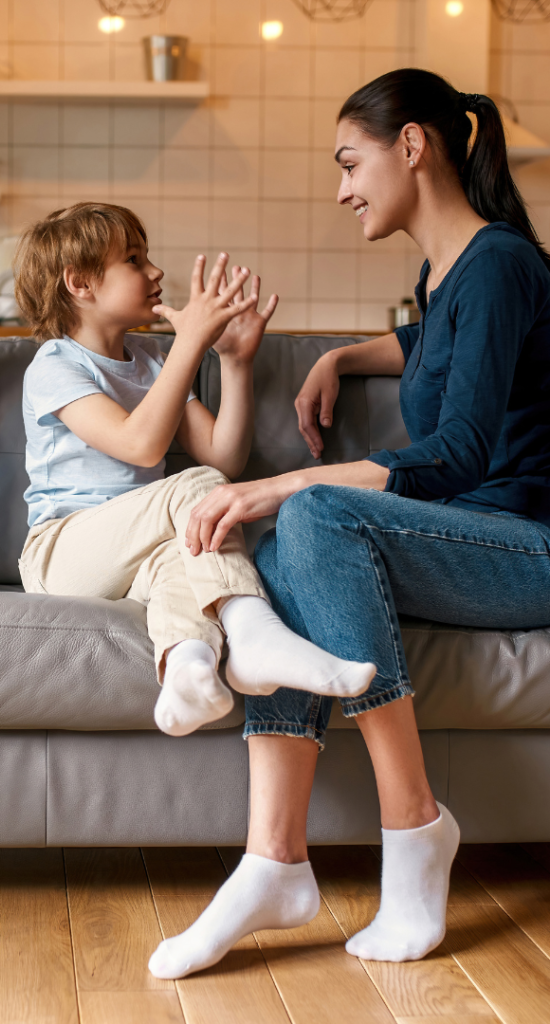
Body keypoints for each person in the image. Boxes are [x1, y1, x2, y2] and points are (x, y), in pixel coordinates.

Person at [148, 69, 550, 980]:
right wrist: (340, 353)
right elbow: (432, 340)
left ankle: (414, 828)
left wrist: (274, 484)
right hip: (469, 536)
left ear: (412, 145)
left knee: (312, 508)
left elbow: (461, 454)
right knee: (299, 542)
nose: (342, 189)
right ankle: (273, 857)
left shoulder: (501, 264)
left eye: (350, 162)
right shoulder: (449, 270)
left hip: (525, 544)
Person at [14, 202, 376, 740]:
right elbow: (139, 446)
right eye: (134, 260)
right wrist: (189, 343)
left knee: (191, 544)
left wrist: (235, 361)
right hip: (61, 553)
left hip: (132, 559)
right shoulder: (56, 364)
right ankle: (253, 631)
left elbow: (222, 456)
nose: (156, 271)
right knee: (203, 495)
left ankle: (188, 671)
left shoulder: (150, 360)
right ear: (81, 282)